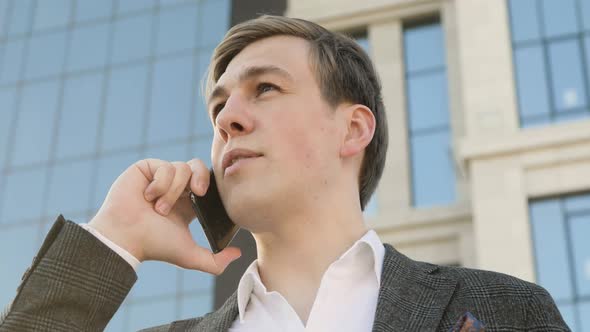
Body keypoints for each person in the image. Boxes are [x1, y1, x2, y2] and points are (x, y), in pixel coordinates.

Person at [0, 15, 569, 332]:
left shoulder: (505, 311)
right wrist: (113, 239)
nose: (228, 120)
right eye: (218, 108)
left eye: (264, 89)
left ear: (353, 130)